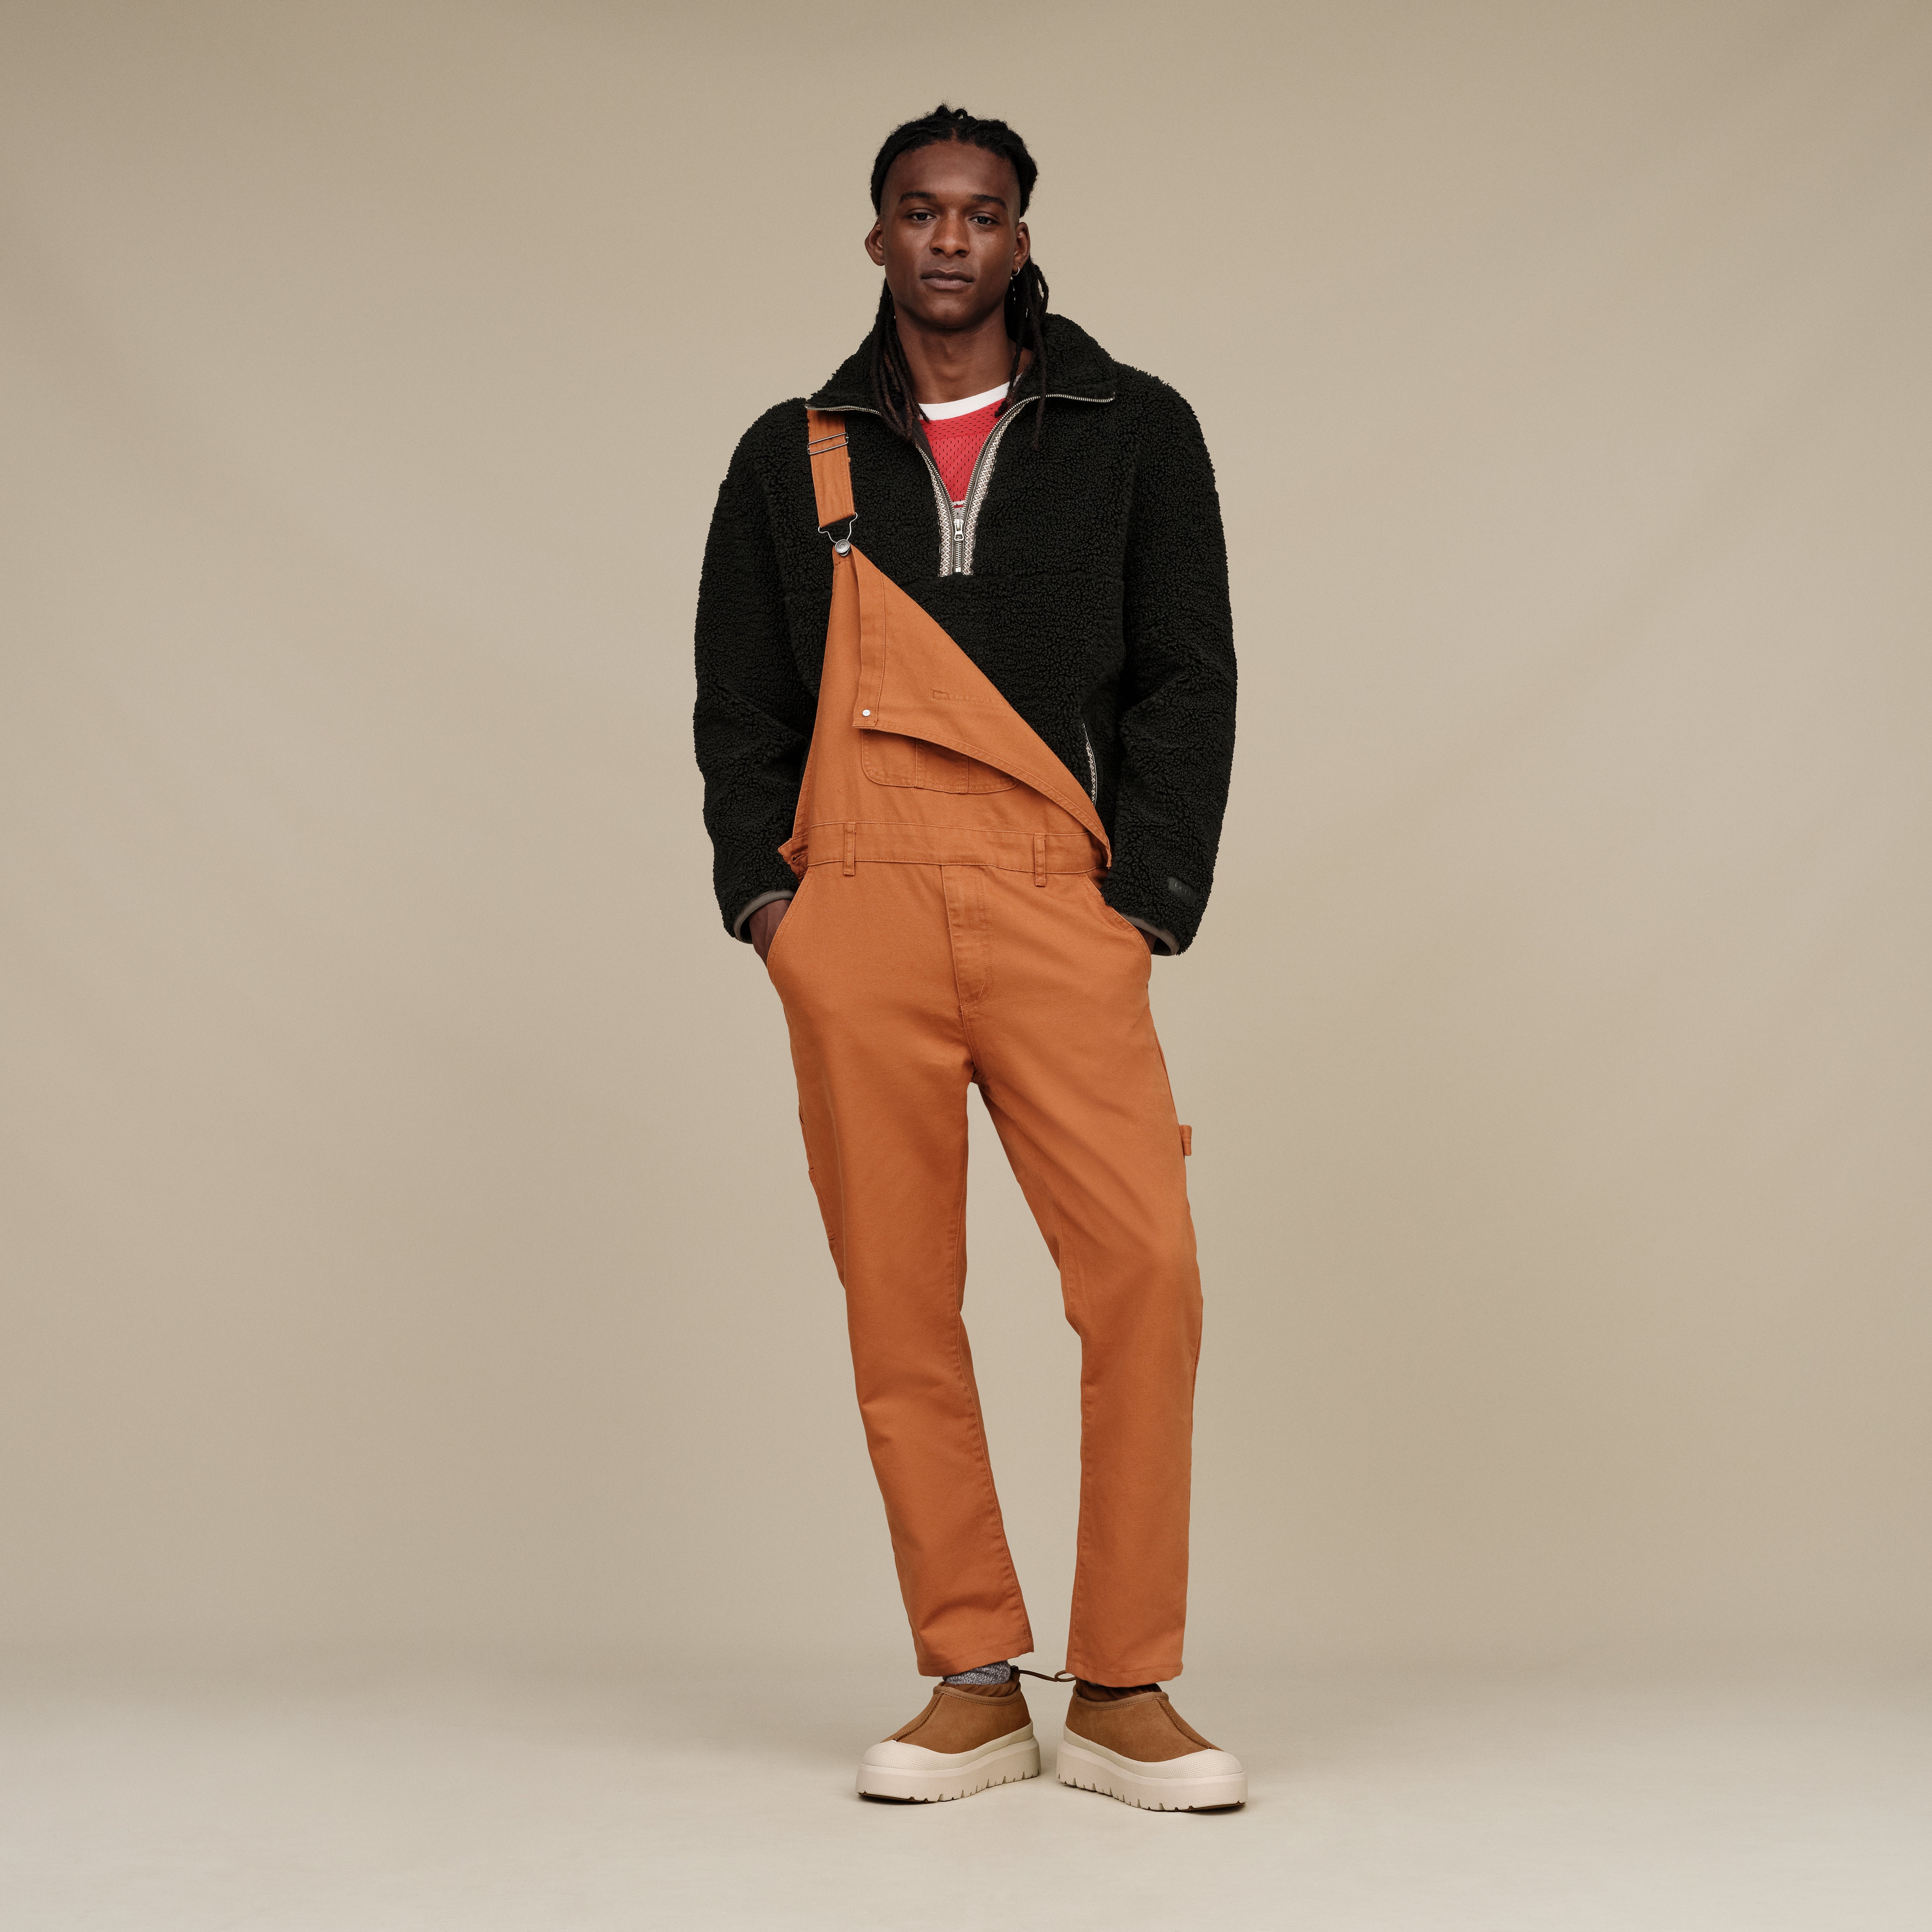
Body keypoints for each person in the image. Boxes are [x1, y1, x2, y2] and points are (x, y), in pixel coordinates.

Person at [693, 105, 1240, 1810]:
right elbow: (738, 704)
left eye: (981, 212)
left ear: (1020, 237)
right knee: (899, 1299)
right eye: (919, 212)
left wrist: (1145, 899)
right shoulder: (788, 454)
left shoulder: (1133, 428)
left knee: (1144, 1272)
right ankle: (972, 1680)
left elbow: (1188, 674)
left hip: (1054, 900)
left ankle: (1128, 1685)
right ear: (876, 238)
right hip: (852, 907)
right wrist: (771, 908)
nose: (949, 239)